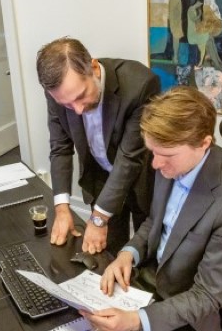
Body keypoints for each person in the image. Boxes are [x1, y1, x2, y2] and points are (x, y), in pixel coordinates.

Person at [82, 86, 222, 331]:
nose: (154, 164)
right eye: (152, 152)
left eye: (165, 155)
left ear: (204, 144)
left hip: (186, 303)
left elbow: (206, 295)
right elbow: (155, 221)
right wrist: (128, 254)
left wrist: (135, 320)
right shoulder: (170, 161)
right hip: (150, 279)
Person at [37, 37, 160, 255]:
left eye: (81, 96)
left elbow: (129, 158)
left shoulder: (140, 84)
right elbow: (60, 147)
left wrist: (98, 219)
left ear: (93, 68)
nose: (76, 110)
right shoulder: (58, 92)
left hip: (142, 179)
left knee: (147, 252)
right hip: (101, 179)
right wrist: (62, 207)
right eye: (66, 104)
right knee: (108, 254)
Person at [187, 0, 222, 69]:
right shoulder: (191, 9)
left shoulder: (196, 10)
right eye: (200, 3)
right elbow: (193, 19)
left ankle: (217, 60)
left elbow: (198, 25)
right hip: (192, 35)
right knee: (209, 39)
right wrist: (200, 15)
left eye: (200, 4)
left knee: (210, 38)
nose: (200, 5)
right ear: (197, 2)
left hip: (196, 33)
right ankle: (217, 63)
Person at [166, 0, 185, 64]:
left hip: (177, 1)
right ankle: (174, 55)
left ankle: (176, 56)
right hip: (172, 1)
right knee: (173, 27)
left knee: (177, 28)